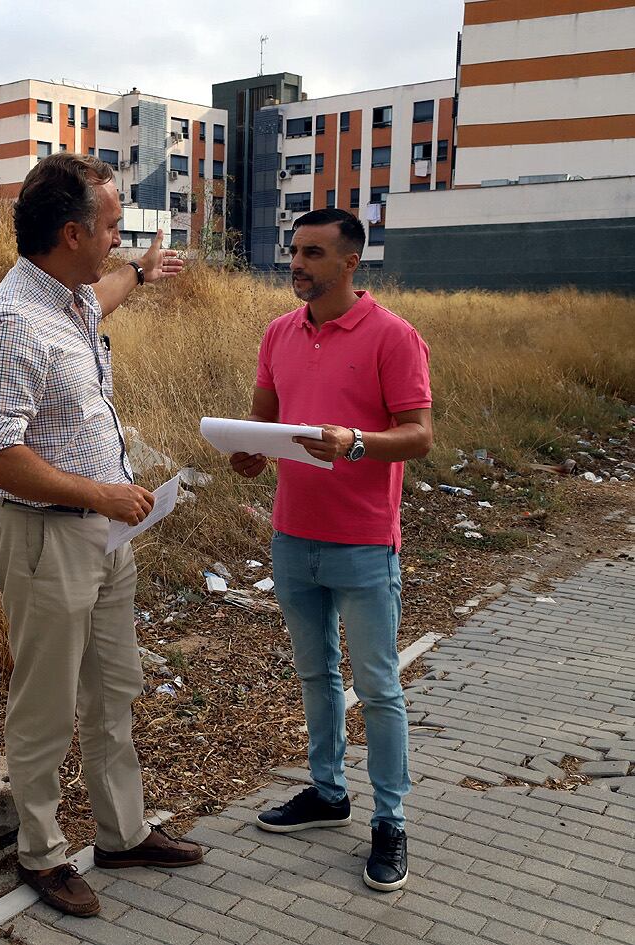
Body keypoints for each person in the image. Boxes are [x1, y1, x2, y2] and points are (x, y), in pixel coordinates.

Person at [0, 153, 203, 918]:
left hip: (103, 538)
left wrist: (144, 266)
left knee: (112, 692)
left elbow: (109, 290)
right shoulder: (9, 323)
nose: (118, 239)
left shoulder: (70, 300)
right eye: (111, 227)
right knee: (47, 704)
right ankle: (41, 851)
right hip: (46, 539)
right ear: (71, 233)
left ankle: (122, 831)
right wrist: (99, 491)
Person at [230, 207, 432, 892]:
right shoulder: (278, 333)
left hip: (364, 540)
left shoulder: (394, 336)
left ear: (351, 261)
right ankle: (326, 791)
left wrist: (357, 442)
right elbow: (262, 422)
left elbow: (420, 434)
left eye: (314, 253)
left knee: (376, 686)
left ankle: (391, 820)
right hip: (294, 536)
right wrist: (247, 453)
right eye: (295, 251)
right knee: (315, 675)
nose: (298, 264)